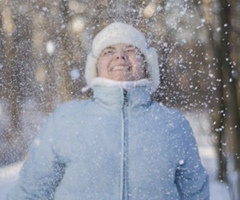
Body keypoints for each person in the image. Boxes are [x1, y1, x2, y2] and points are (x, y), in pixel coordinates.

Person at [7, 22, 209, 199]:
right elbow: (30, 193)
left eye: (130, 50)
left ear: (147, 65)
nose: (119, 56)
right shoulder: (66, 119)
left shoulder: (173, 124)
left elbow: (196, 194)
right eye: (108, 51)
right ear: (94, 67)